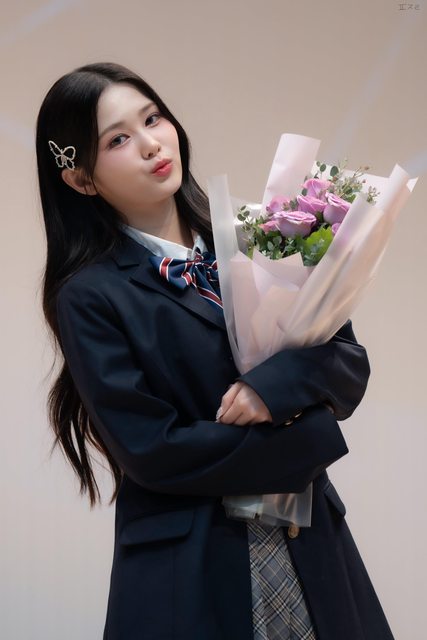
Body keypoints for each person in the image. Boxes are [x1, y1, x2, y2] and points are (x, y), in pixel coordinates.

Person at [35, 62, 395, 640]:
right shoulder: (90, 294)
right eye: (118, 140)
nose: (151, 144)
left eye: (153, 118)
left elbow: (347, 363)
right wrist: (307, 437)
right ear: (81, 179)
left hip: (309, 543)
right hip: (195, 564)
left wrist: (268, 390)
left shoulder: (257, 236)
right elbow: (152, 450)